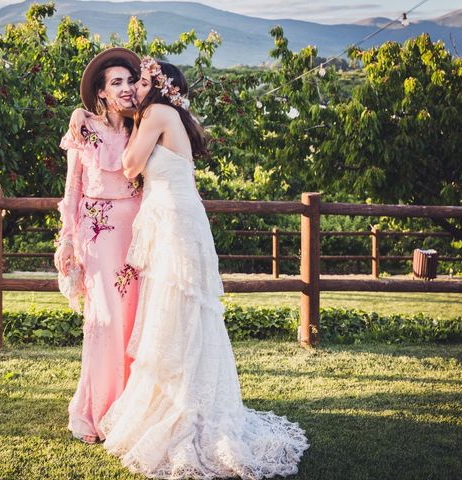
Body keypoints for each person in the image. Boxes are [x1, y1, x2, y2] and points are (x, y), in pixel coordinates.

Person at [97, 58, 310, 478]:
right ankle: (179, 404)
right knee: (178, 317)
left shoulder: (156, 114)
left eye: (140, 82)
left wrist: (131, 121)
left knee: (179, 317)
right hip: (175, 224)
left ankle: (186, 415)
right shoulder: (166, 114)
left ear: (159, 87)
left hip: (176, 227)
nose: (134, 89)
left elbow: (129, 166)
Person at [54, 47, 142, 444]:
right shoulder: (83, 127)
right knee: (105, 322)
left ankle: (133, 412)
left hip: (139, 233)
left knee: (135, 323)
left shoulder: (142, 125)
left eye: (129, 81)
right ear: (102, 92)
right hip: (99, 232)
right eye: (116, 83)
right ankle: (98, 411)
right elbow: (72, 188)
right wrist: (68, 238)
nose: (125, 88)